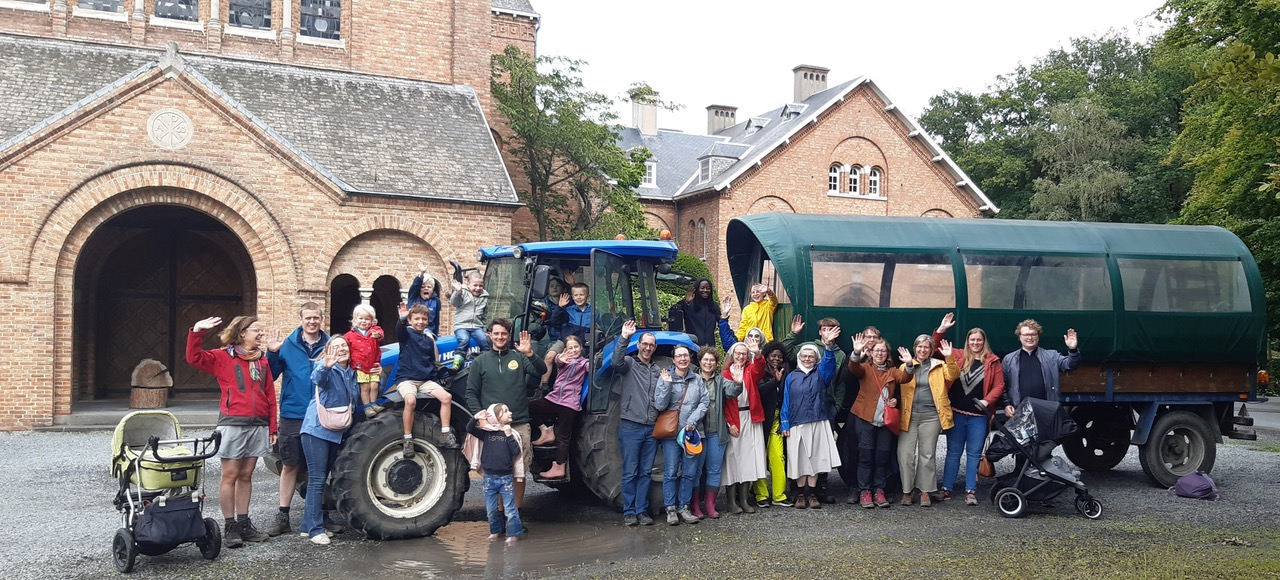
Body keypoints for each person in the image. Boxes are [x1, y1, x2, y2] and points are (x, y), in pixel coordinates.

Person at [187, 315, 277, 548]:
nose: (260, 334)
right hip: (233, 423)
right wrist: (197, 331)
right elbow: (193, 357)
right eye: (256, 330)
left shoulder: (262, 361)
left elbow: (269, 395)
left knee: (246, 475)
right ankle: (230, 527)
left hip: (258, 424)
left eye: (261, 330)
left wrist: (272, 426)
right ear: (242, 333)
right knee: (230, 475)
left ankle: (244, 524)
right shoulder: (222, 356)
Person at [465, 318, 547, 510]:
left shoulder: (518, 358)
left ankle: (515, 515)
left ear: (509, 336)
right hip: (492, 428)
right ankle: (500, 515)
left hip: (518, 424)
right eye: (496, 333)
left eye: (503, 333)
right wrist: (481, 417)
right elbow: (471, 393)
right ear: (490, 335)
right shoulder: (480, 362)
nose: (500, 337)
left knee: (519, 472)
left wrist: (530, 353)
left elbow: (540, 371)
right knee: (496, 474)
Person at [264, 303, 328, 537]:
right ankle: (283, 516)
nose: (312, 321)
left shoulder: (329, 345)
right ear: (301, 319)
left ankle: (321, 515)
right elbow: (269, 376)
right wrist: (271, 352)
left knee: (319, 467)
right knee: (290, 464)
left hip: (321, 413)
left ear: (322, 319)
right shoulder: (287, 346)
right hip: (294, 413)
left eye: (316, 318)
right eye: (308, 317)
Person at [781, 315, 848, 504]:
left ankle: (812, 493)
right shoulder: (791, 377)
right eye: (804, 356)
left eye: (811, 356)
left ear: (815, 358)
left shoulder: (821, 374)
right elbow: (786, 401)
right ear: (799, 358)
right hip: (796, 423)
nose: (807, 359)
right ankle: (800, 494)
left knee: (816, 459)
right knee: (799, 459)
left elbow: (829, 367)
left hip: (818, 420)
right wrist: (785, 422)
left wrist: (827, 348)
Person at [299, 336, 360, 545]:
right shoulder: (326, 367)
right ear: (327, 351)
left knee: (322, 478)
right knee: (317, 479)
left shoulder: (350, 372)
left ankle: (307, 526)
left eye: (344, 345)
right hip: (316, 430)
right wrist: (325, 366)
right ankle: (316, 530)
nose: (341, 349)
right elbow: (317, 378)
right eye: (335, 347)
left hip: (336, 430)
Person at [940, 324, 1005, 506]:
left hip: (978, 417)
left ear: (984, 342)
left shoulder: (992, 361)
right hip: (957, 414)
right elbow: (934, 344)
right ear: (967, 341)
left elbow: (999, 386)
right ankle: (946, 488)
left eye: (979, 340)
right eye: (972, 340)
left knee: (974, 454)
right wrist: (942, 329)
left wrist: (987, 401)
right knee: (953, 453)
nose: (975, 343)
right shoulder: (958, 355)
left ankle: (970, 490)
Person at [847, 334, 912, 509]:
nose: (880, 353)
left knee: (882, 457)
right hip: (865, 418)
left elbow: (904, 378)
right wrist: (856, 352)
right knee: (866, 457)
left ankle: (879, 490)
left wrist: (910, 364)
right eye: (877, 350)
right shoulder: (865, 368)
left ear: (887, 353)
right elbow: (853, 368)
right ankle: (865, 491)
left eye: (883, 350)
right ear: (871, 352)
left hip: (885, 422)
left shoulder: (892, 371)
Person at [896, 335, 959, 507]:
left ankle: (925, 491)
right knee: (905, 454)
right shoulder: (905, 365)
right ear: (914, 348)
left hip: (931, 416)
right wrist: (909, 364)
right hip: (908, 416)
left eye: (926, 347)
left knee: (927, 454)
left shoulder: (939, 366)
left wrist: (949, 357)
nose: (922, 350)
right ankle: (907, 491)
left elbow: (953, 375)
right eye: (919, 347)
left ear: (931, 350)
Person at [613, 320, 662, 526]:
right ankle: (629, 512)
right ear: (639, 345)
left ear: (654, 348)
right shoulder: (629, 364)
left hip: (651, 427)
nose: (648, 348)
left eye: (651, 345)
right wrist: (624, 337)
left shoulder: (658, 370)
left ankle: (642, 511)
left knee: (645, 472)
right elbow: (616, 362)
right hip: (631, 425)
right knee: (630, 471)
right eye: (645, 344)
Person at [654, 345, 710, 525]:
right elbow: (660, 405)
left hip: (692, 433)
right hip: (672, 434)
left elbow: (704, 402)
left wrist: (691, 423)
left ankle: (684, 507)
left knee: (689, 472)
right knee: (670, 472)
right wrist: (667, 384)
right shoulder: (665, 378)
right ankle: (670, 509)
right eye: (679, 356)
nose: (683, 359)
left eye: (685, 355)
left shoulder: (697, 380)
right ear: (673, 359)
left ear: (690, 358)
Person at [392, 303, 454, 459]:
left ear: (428, 320)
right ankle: (407, 439)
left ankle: (445, 434)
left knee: (446, 397)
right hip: (407, 379)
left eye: (424, 319)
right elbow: (399, 330)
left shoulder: (428, 339)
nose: (420, 321)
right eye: (417, 318)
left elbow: (431, 361)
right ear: (411, 320)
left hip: (425, 380)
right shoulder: (406, 334)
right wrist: (401, 318)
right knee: (411, 401)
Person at [688, 347, 741, 519]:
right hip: (698, 432)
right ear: (700, 361)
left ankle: (710, 504)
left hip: (716, 432)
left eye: (712, 360)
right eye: (705, 360)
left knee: (714, 470)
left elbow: (731, 392)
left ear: (716, 363)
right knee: (696, 470)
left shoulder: (720, 380)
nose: (708, 363)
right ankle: (695, 505)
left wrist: (738, 383)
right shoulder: (693, 380)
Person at [528, 335, 589, 480]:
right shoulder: (562, 359)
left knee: (563, 436)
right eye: (570, 348)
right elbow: (557, 361)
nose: (573, 350)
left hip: (569, 404)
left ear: (581, 348)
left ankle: (559, 467)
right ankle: (546, 430)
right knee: (529, 406)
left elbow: (591, 368)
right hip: (555, 399)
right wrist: (559, 359)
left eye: (576, 347)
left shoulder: (584, 363)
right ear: (565, 349)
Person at [465, 404, 525, 545]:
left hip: (506, 478)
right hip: (489, 478)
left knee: (510, 509)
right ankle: (495, 531)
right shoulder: (486, 433)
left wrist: (509, 434)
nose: (510, 412)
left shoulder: (511, 433)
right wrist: (476, 418)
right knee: (491, 509)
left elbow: (516, 452)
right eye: (505, 411)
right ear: (496, 417)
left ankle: (513, 533)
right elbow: (469, 429)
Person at [720, 340, 768, 514]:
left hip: (750, 417)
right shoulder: (724, 374)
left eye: (744, 353)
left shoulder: (750, 369)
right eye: (738, 353)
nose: (741, 356)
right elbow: (723, 402)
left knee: (749, 459)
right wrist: (729, 423)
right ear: (732, 355)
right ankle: (731, 502)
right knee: (732, 460)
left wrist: (757, 354)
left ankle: (744, 499)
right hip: (734, 418)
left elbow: (760, 369)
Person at [1001, 319, 1080, 415]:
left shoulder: (1052, 356)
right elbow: (1002, 385)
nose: (1030, 337)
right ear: (1019, 337)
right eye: (1026, 335)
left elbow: (1070, 365)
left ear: (1038, 336)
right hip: (1019, 411)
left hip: (1047, 411)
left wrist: (1072, 349)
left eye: (1033, 334)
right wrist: (1006, 404)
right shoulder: (1009, 359)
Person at [754, 341, 793, 508]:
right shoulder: (760, 372)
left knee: (778, 457)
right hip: (761, 419)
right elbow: (759, 391)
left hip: (777, 418)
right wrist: (774, 382)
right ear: (766, 356)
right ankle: (761, 494)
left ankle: (779, 494)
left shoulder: (786, 372)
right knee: (759, 457)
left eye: (779, 356)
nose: (776, 359)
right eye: (773, 356)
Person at [542, 281, 591, 387]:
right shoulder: (568, 310)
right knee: (549, 357)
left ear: (588, 296)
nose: (578, 297)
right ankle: (544, 385)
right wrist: (560, 307)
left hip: (581, 342)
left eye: (581, 295)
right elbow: (554, 322)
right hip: (565, 340)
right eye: (576, 295)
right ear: (572, 297)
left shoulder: (593, 312)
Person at [344, 305, 384, 419]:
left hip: (373, 365)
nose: (364, 321)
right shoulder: (350, 335)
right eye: (361, 318)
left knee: (375, 386)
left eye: (367, 319)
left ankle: (373, 403)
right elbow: (344, 343)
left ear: (372, 320)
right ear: (355, 319)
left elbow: (381, 334)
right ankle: (367, 407)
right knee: (365, 387)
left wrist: (378, 335)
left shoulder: (374, 331)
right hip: (360, 366)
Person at [449, 270, 491, 365]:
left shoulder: (484, 297)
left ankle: (486, 361)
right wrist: (458, 292)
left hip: (476, 326)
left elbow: (484, 315)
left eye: (480, 285)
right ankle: (457, 362)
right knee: (464, 339)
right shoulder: (463, 292)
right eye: (475, 285)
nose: (478, 288)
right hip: (462, 325)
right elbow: (454, 302)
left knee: (484, 340)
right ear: (468, 284)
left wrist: (484, 328)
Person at [674, 278, 721, 348]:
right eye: (702, 288)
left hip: (709, 346)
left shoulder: (714, 306)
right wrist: (685, 302)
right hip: (693, 345)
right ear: (697, 289)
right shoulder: (689, 305)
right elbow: (674, 311)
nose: (705, 290)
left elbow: (721, 322)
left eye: (708, 288)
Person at [406, 264, 442, 337]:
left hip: (428, 330)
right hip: (413, 329)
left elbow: (436, 320)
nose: (426, 288)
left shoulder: (436, 301)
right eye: (423, 287)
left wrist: (436, 333)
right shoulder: (413, 297)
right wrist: (422, 273)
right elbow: (415, 286)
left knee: (430, 338)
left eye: (429, 287)